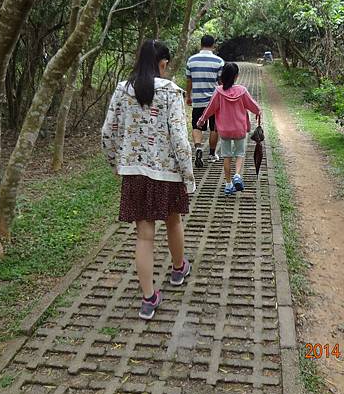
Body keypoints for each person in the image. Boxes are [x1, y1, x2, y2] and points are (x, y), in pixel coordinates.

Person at [102, 40, 195, 320]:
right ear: (163, 63)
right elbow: (180, 140)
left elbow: (108, 132)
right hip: (166, 173)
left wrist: (116, 163)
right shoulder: (170, 93)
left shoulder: (122, 90)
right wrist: (188, 176)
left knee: (144, 235)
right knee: (173, 220)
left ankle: (148, 298)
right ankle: (179, 269)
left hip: (134, 173)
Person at [197, 63, 261, 195]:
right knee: (240, 154)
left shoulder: (218, 91)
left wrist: (201, 120)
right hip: (239, 128)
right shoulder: (242, 91)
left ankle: (228, 184)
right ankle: (237, 175)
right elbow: (253, 106)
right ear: (236, 76)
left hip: (224, 130)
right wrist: (258, 111)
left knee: (226, 155)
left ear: (223, 76)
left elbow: (210, 108)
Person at [186, 34, 224, 168]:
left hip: (197, 99)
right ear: (213, 45)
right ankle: (212, 154)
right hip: (214, 101)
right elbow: (220, 82)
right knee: (214, 127)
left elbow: (189, 80)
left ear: (200, 44)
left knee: (197, 126)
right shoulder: (219, 61)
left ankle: (198, 148)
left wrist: (188, 96)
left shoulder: (191, 60)